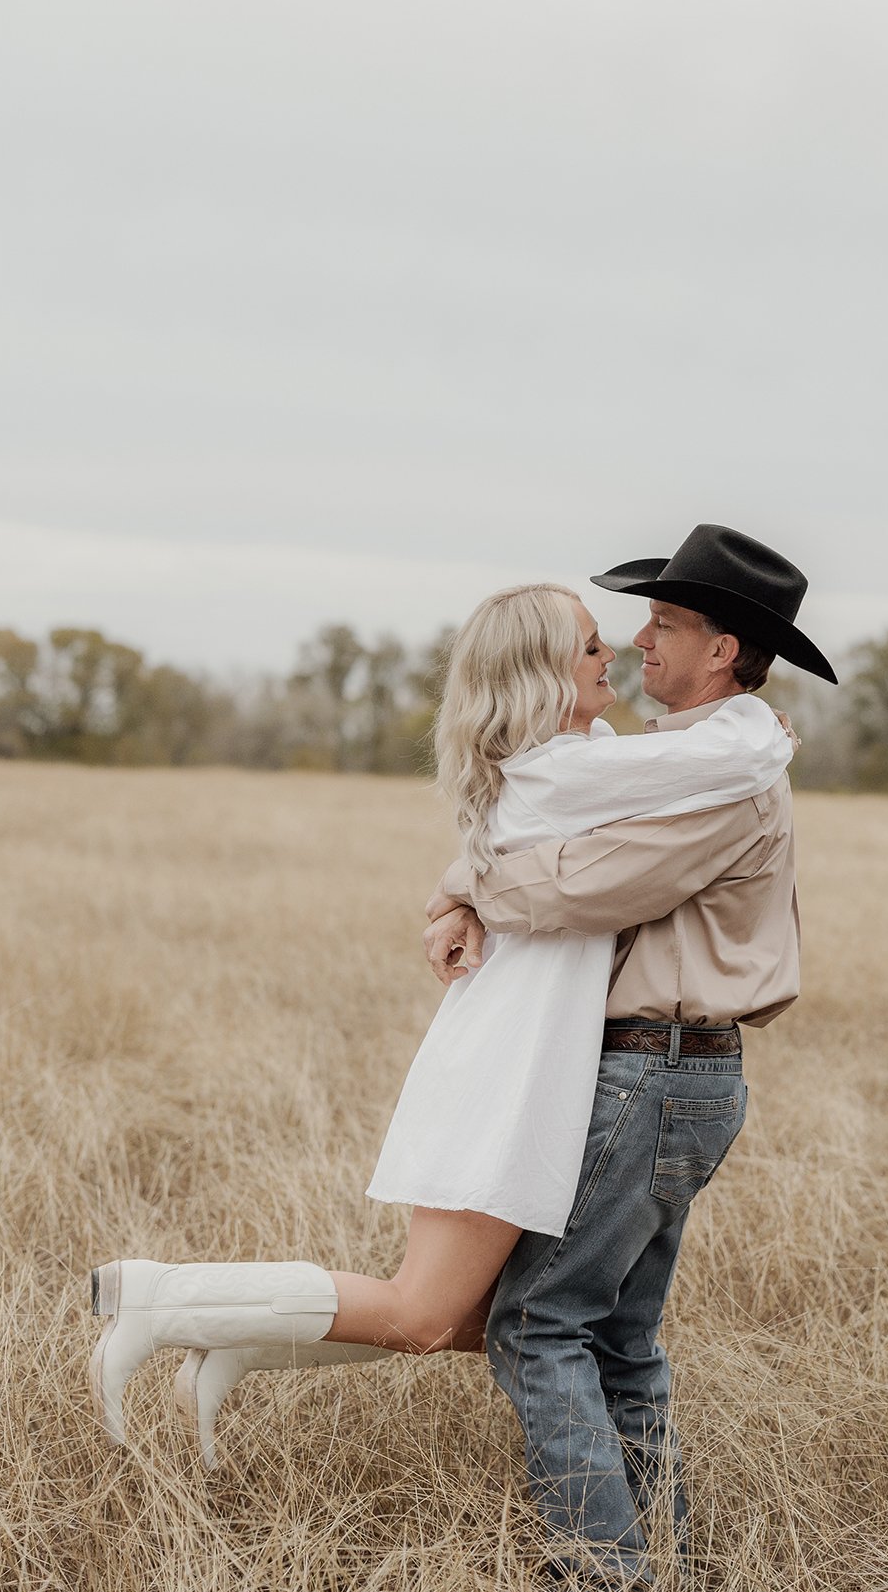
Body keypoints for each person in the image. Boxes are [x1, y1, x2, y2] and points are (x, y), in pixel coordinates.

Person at [88, 576, 794, 1468]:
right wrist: (762, 730)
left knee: (474, 1320)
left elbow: (588, 812)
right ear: (542, 673)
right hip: (515, 1061)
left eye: (658, 624)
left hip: (539, 1058)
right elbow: (659, 815)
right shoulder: (577, 771)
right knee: (441, 1313)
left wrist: (459, 889)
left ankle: (235, 1343)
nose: (620, 644)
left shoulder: (590, 763)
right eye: (589, 644)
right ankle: (166, 1299)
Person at [422, 524, 837, 1592]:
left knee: (536, 1321)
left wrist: (478, 887)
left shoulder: (719, 782)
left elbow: (569, 887)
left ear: (723, 650)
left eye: (666, 623)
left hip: (653, 1068)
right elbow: (539, 820)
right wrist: (463, 883)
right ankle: (665, 1582)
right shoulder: (678, 761)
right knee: (615, 1332)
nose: (639, 641)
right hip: (671, 1068)